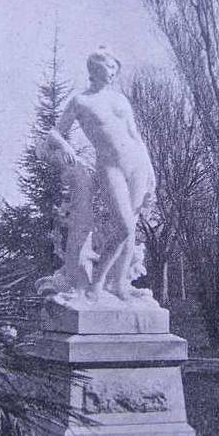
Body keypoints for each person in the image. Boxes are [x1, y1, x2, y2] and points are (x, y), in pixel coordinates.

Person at [45, 48, 155, 302]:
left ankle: (119, 285)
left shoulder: (120, 100)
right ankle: (96, 284)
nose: (113, 71)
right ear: (94, 67)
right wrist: (67, 147)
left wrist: (150, 170)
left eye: (116, 68)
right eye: (109, 66)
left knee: (132, 226)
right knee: (125, 227)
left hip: (137, 164)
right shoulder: (81, 101)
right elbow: (54, 133)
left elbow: (136, 136)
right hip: (110, 167)